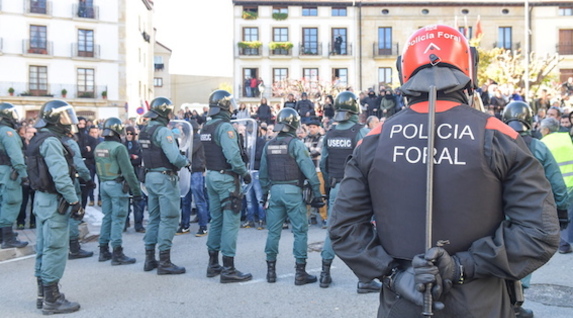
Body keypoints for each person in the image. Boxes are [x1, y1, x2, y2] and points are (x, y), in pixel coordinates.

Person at [329, 25, 560, 317]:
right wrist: (463, 265)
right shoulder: (499, 136)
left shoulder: (374, 139)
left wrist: (395, 276)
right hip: (482, 304)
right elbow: (540, 232)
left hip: (402, 304)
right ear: (469, 70)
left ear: (404, 72)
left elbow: (344, 228)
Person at [502, 101, 570, 318]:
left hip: (495, 214)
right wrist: (561, 214)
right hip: (527, 215)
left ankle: (502, 300)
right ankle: (515, 303)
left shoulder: (493, 142)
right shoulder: (538, 147)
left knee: (495, 256)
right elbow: (557, 185)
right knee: (523, 258)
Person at [318, 92, 380, 293]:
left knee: (333, 229)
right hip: (359, 190)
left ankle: (324, 273)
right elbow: (372, 162)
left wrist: (330, 183)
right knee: (365, 231)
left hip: (337, 187)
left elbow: (323, 163)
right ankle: (365, 280)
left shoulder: (330, 133)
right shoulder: (360, 132)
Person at [27, 100, 82, 314]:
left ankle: (43, 295)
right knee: (55, 249)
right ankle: (52, 299)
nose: (68, 121)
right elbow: (60, 177)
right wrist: (74, 201)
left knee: (43, 247)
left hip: (42, 201)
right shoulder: (51, 141)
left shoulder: (40, 138)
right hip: (54, 203)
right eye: (64, 117)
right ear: (54, 119)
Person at [259, 108, 325, 285]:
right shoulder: (296, 144)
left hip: (275, 192)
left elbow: (263, 174)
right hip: (293, 192)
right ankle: (300, 273)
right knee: (300, 232)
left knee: (273, 232)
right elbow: (310, 172)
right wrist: (318, 194)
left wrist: (264, 194)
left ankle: (270, 272)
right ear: (294, 124)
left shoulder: (269, 145)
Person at [201, 89, 253, 283]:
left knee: (216, 220)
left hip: (212, 176)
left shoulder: (206, 127)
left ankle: (213, 264)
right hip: (226, 179)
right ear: (224, 107)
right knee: (230, 222)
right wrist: (244, 173)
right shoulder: (225, 127)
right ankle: (229, 269)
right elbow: (233, 156)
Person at [139, 97, 190, 275]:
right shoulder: (163, 132)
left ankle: (149, 258)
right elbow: (175, 157)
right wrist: (186, 161)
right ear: (164, 112)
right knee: (169, 218)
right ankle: (165, 262)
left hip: (150, 176)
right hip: (164, 178)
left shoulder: (144, 130)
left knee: (154, 217)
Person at [95, 118, 143, 265]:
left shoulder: (99, 146)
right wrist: (137, 191)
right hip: (116, 185)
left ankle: (103, 250)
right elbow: (128, 172)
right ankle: (117, 253)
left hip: (104, 184)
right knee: (118, 219)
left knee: (107, 217)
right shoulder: (119, 148)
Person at [539, 117, 573, 255]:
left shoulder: (542, 143)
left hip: (558, 184)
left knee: (560, 213)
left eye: (541, 129)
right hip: (572, 181)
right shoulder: (567, 138)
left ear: (546, 130)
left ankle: (563, 244)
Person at [62, 129, 95, 260]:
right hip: (69, 182)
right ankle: (74, 248)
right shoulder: (69, 142)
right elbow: (79, 165)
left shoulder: (47, 140)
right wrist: (88, 179)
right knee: (73, 213)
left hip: (51, 184)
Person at [0, 103, 29, 249]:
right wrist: (24, 174)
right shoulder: (7, 132)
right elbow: (16, 156)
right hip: (7, 172)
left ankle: (2, 235)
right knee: (11, 201)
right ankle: (8, 237)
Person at [178, 120, 209, 237]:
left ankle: (203, 226)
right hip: (188, 171)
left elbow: (187, 151)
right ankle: (185, 225)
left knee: (199, 200)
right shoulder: (189, 139)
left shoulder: (196, 139)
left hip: (196, 171)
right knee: (185, 200)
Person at [303, 119, 327, 226]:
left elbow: (317, 152)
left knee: (321, 194)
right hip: (307, 171)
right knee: (306, 195)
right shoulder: (305, 139)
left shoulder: (322, 138)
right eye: (310, 127)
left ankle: (324, 218)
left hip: (318, 170)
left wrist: (307, 149)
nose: (311, 129)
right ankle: (308, 218)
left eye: (314, 127)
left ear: (318, 128)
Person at [124, 126, 146, 233]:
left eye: (131, 133)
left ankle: (138, 224)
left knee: (138, 200)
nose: (129, 135)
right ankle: (125, 223)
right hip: (125, 176)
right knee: (125, 201)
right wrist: (132, 157)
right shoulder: (122, 145)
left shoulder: (138, 145)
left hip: (136, 175)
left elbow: (140, 159)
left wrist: (131, 158)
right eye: (127, 133)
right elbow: (123, 160)